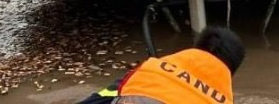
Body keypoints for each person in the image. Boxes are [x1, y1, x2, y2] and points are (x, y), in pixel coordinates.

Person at [77, 25, 245, 104]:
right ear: (230, 72)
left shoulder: (152, 69)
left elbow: (96, 100)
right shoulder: (221, 99)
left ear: (196, 49)